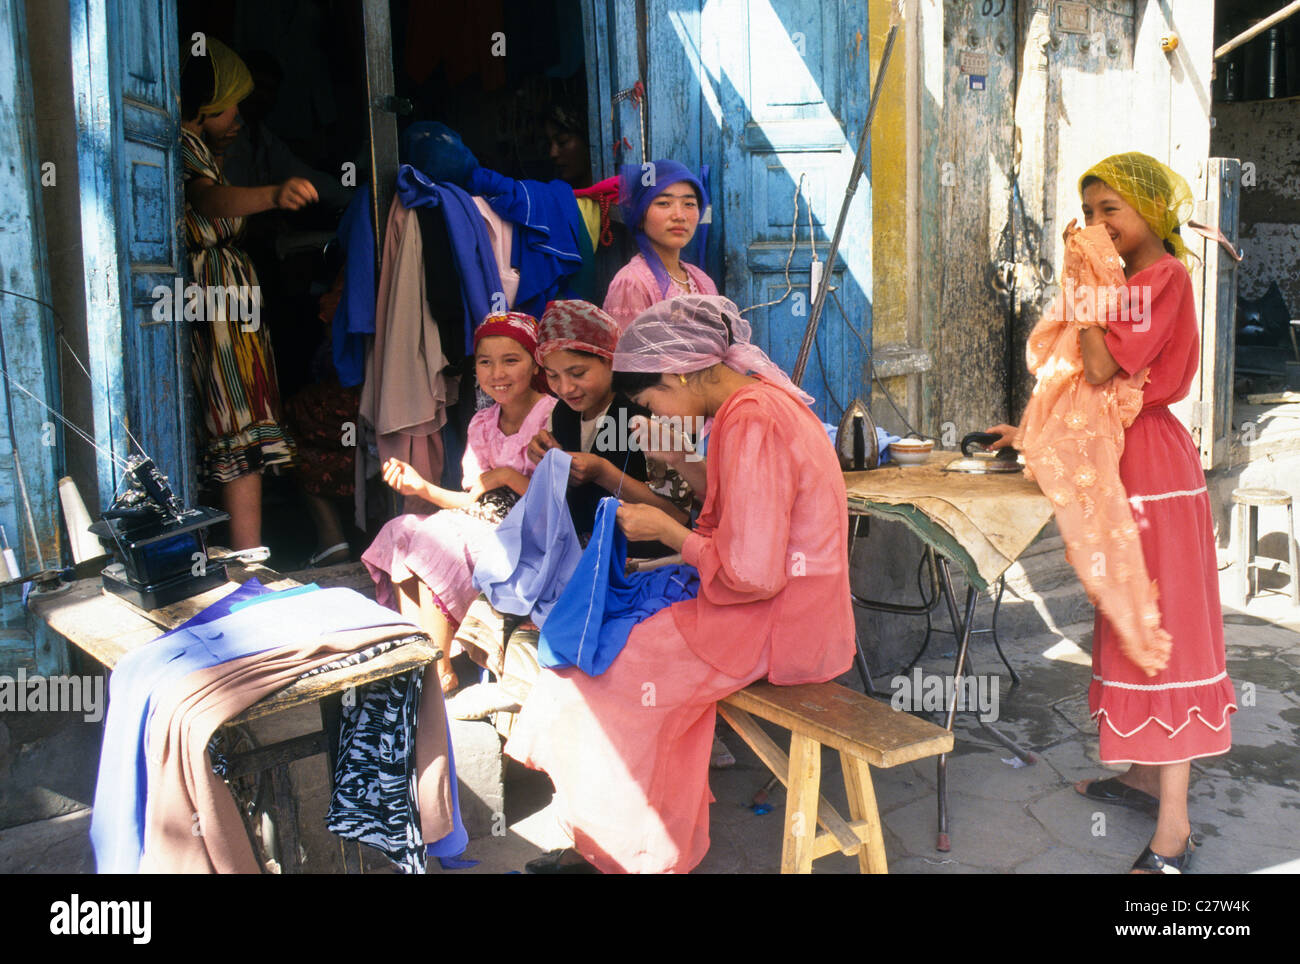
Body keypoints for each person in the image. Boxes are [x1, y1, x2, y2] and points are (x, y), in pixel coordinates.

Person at [505, 295, 855, 873]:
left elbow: (753, 572)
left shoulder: (753, 418)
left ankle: (633, 851)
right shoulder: (751, 405)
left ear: (680, 371)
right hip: (773, 606)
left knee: (605, 672)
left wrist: (668, 533)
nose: (658, 412)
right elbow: (739, 520)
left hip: (780, 621)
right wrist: (678, 467)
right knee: (602, 646)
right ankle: (609, 841)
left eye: (653, 399)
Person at [986, 153, 1235, 874]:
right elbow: (1088, 391)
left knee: (1164, 627)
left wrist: (1088, 285)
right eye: (1088, 213)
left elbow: (1098, 370)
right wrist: (1031, 432)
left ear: (1153, 212)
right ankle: (1142, 775)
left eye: (1111, 213)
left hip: (1152, 467)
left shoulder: (1162, 279)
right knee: (1126, 616)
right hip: (1122, 460)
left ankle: (1174, 831)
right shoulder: (1130, 283)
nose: (1096, 226)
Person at [362, 313, 557, 693]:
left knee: (439, 535)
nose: (496, 372)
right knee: (400, 528)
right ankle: (422, 654)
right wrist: (420, 488)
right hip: (485, 527)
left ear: (535, 362)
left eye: (510, 360)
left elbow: (558, 501)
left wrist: (505, 477)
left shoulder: (552, 414)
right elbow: (473, 500)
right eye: (485, 362)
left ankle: (437, 669)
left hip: (533, 540)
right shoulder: (482, 422)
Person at [180, 38, 319, 550]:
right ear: (206, 106)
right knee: (235, 422)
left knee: (232, 425)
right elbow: (206, 199)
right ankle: (248, 557)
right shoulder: (184, 149)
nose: (240, 113)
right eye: (233, 102)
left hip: (228, 309)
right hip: (218, 311)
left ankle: (236, 553)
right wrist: (273, 194)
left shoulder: (203, 150)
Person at [526, 300, 690, 550]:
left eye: (578, 373)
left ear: (610, 360)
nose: (565, 388)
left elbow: (679, 515)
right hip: (585, 557)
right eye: (552, 375)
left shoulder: (648, 412)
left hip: (646, 562)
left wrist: (605, 474)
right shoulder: (562, 413)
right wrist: (548, 458)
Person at [602, 160, 718, 332]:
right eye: (664, 203)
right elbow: (629, 356)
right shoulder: (632, 283)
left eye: (689, 204)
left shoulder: (702, 280)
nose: (679, 216)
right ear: (641, 216)